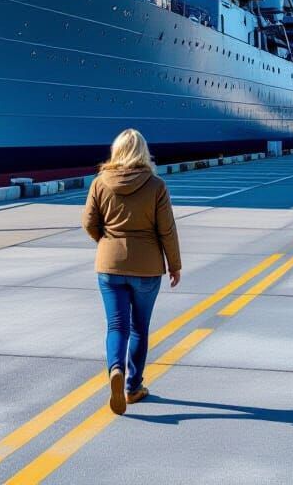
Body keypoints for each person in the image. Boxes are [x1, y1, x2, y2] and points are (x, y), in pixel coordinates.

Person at [83, 129, 181, 415]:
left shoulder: (100, 183)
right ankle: (133, 387)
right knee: (139, 328)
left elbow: (89, 222)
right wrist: (174, 265)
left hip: (109, 267)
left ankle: (115, 369)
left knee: (116, 326)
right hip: (147, 267)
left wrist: (106, 243)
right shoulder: (156, 185)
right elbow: (167, 230)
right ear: (143, 152)